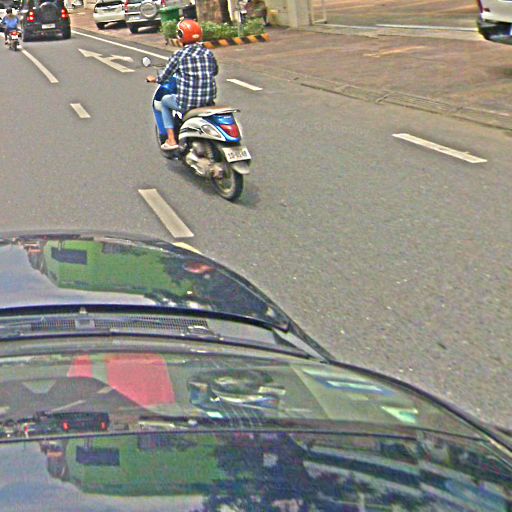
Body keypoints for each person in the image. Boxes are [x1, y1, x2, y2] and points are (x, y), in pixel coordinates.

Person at [146, 19, 218, 151]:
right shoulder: (208, 53)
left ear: (180, 36)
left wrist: (155, 79)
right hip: (208, 101)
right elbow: (215, 71)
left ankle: (171, 140)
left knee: (165, 101)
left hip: (187, 102)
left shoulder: (179, 55)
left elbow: (165, 77)